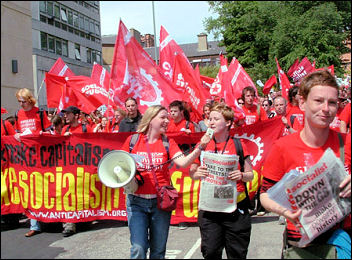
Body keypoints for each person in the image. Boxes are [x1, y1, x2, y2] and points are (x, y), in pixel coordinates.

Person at [259, 70, 351, 256]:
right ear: (302, 103)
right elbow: (265, 195)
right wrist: (283, 210)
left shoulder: (347, 142)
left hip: (343, 240)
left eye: (332, 102)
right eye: (318, 101)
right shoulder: (282, 147)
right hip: (302, 246)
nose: (326, 108)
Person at [121, 105, 211, 259]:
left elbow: (183, 162)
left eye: (167, 118)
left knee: (158, 250)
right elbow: (120, 164)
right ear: (150, 119)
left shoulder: (168, 142)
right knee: (138, 248)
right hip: (136, 202)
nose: (166, 121)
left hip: (160, 203)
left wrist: (200, 147)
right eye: (162, 117)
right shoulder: (132, 141)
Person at [189, 103, 254, 259]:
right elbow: (192, 171)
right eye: (209, 119)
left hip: (235, 207)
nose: (211, 122)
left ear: (228, 123)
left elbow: (250, 174)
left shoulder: (239, 144)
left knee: (237, 253)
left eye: (216, 119)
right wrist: (197, 173)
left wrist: (241, 175)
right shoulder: (203, 145)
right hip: (210, 208)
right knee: (210, 252)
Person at [13, 89, 51, 237]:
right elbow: (16, 132)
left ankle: (49, 219)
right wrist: (16, 135)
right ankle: (34, 225)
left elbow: (50, 132)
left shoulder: (40, 113)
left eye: (23, 101)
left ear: (30, 100)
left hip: (42, 157)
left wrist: (43, 134)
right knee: (30, 191)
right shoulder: (18, 114)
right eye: (19, 101)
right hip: (26, 158)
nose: (21, 104)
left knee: (45, 189)